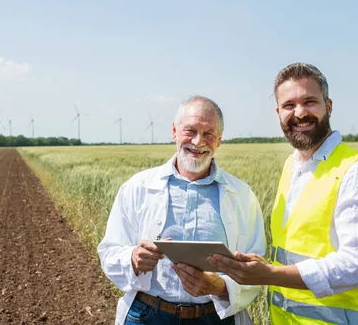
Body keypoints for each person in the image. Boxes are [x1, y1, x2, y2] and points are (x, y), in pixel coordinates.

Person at [209, 63, 358, 324]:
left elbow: (355, 267)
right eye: (289, 105)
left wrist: (267, 274)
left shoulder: (354, 171)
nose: (300, 113)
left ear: (328, 106)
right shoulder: (292, 165)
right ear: (278, 112)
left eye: (310, 101)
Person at [98, 96, 266, 325]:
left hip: (216, 318)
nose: (198, 142)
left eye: (209, 133)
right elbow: (109, 251)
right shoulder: (136, 187)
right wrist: (133, 259)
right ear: (174, 132)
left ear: (219, 141)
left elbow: (257, 267)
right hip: (148, 315)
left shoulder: (242, 195)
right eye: (190, 131)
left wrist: (220, 286)